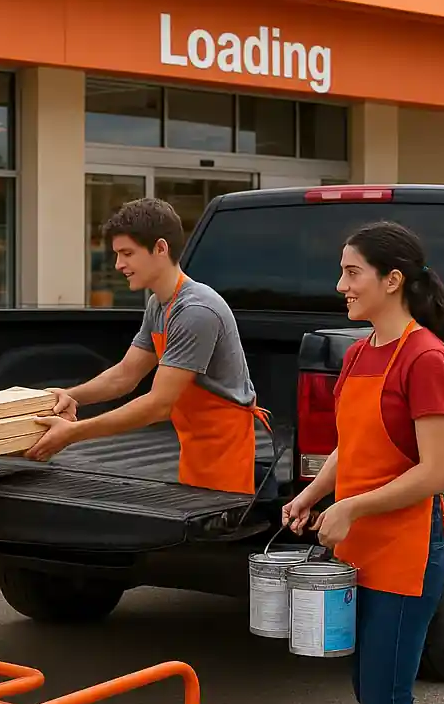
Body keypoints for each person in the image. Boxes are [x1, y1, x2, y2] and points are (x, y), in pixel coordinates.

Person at [283, 221, 444, 704]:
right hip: (360, 548)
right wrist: (314, 494)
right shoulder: (359, 352)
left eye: (352, 272)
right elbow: (352, 445)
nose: (341, 285)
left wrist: (353, 506)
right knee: (371, 696)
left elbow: (436, 473)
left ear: (393, 280)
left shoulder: (426, 357)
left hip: (409, 549)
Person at [26, 197, 268, 495]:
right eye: (117, 254)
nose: (118, 265)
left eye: (127, 253)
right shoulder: (159, 304)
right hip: (196, 447)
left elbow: (158, 405)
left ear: (160, 248)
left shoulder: (196, 311)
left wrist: (73, 433)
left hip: (225, 454)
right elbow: (125, 375)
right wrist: (69, 396)